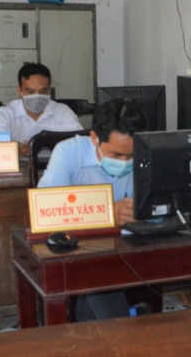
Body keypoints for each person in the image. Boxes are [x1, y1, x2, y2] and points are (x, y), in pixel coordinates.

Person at [38, 98, 148, 322]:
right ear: (95, 138)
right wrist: (107, 213)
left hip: (130, 246)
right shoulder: (68, 152)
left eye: (132, 155)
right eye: (117, 155)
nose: (126, 162)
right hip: (81, 246)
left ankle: (107, 331)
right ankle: (122, 329)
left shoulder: (146, 152)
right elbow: (44, 207)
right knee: (99, 273)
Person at [0, 63, 83, 156]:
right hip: (19, 165)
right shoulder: (6, 113)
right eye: (30, 92)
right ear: (19, 91)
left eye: (43, 91)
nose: (37, 96)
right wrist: (17, 151)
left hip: (56, 165)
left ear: (49, 90)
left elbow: (80, 141)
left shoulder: (63, 111)